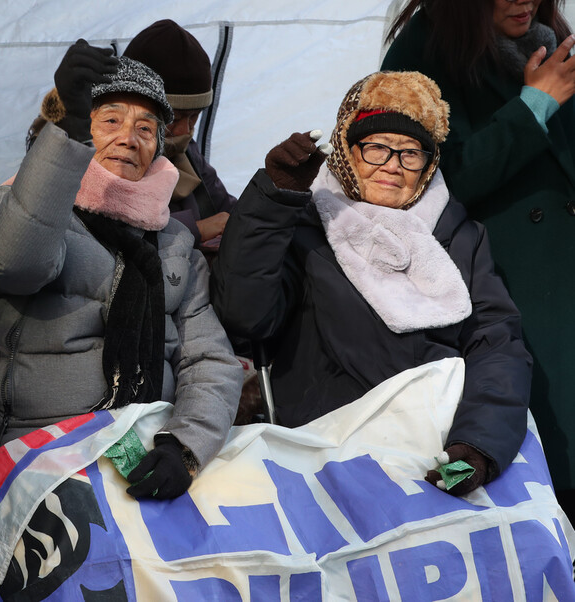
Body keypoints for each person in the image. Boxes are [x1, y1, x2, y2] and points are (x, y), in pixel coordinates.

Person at [213, 71, 532, 497]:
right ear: (347, 152)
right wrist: (274, 198)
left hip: (435, 451)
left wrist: (476, 445)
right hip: (325, 455)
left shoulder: (460, 238)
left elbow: (497, 345)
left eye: (410, 154)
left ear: (429, 164)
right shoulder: (305, 229)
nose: (393, 167)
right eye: (377, 148)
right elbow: (243, 314)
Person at [0, 44, 242, 500]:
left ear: (159, 148)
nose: (128, 138)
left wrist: (185, 448)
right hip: (47, 450)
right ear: (84, 128)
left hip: (150, 440)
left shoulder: (175, 242)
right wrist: (66, 134)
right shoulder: (18, 203)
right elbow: (16, 264)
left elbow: (209, 360)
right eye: (109, 120)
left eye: (145, 128)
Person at [382, 0, 575, 518]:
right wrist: (534, 105)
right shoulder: (422, 53)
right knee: (550, 464)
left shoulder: (545, 38)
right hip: (509, 288)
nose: (525, 0)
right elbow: (440, 180)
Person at [123, 19, 237, 250]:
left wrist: (274, 192)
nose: (185, 131)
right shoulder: (101, 156)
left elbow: (226, 208)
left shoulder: (185, 150)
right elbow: (112, 231)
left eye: (194, 117)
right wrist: (196, 230)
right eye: (174, 117)